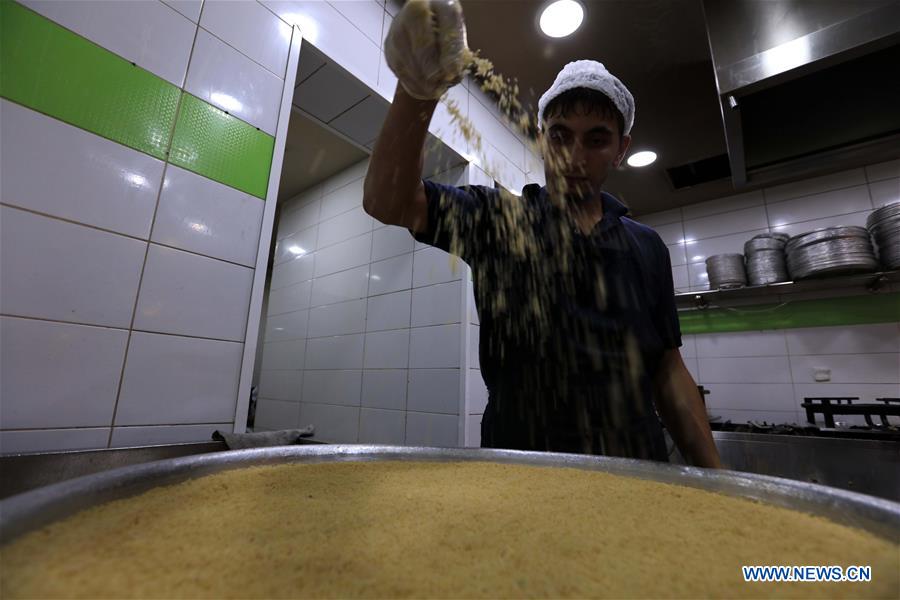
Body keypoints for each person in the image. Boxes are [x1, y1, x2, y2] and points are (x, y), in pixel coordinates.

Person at [364, 0, 722, 468]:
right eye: (559, 136)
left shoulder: (646, 247)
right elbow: (388, 203)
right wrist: (416, 92)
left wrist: (718, 477)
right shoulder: (499, 219)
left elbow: (667, 368)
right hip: (521, 477)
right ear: (541, 136)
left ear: (621, 149)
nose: (575, 155)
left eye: (596, 139)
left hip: (636, 480)